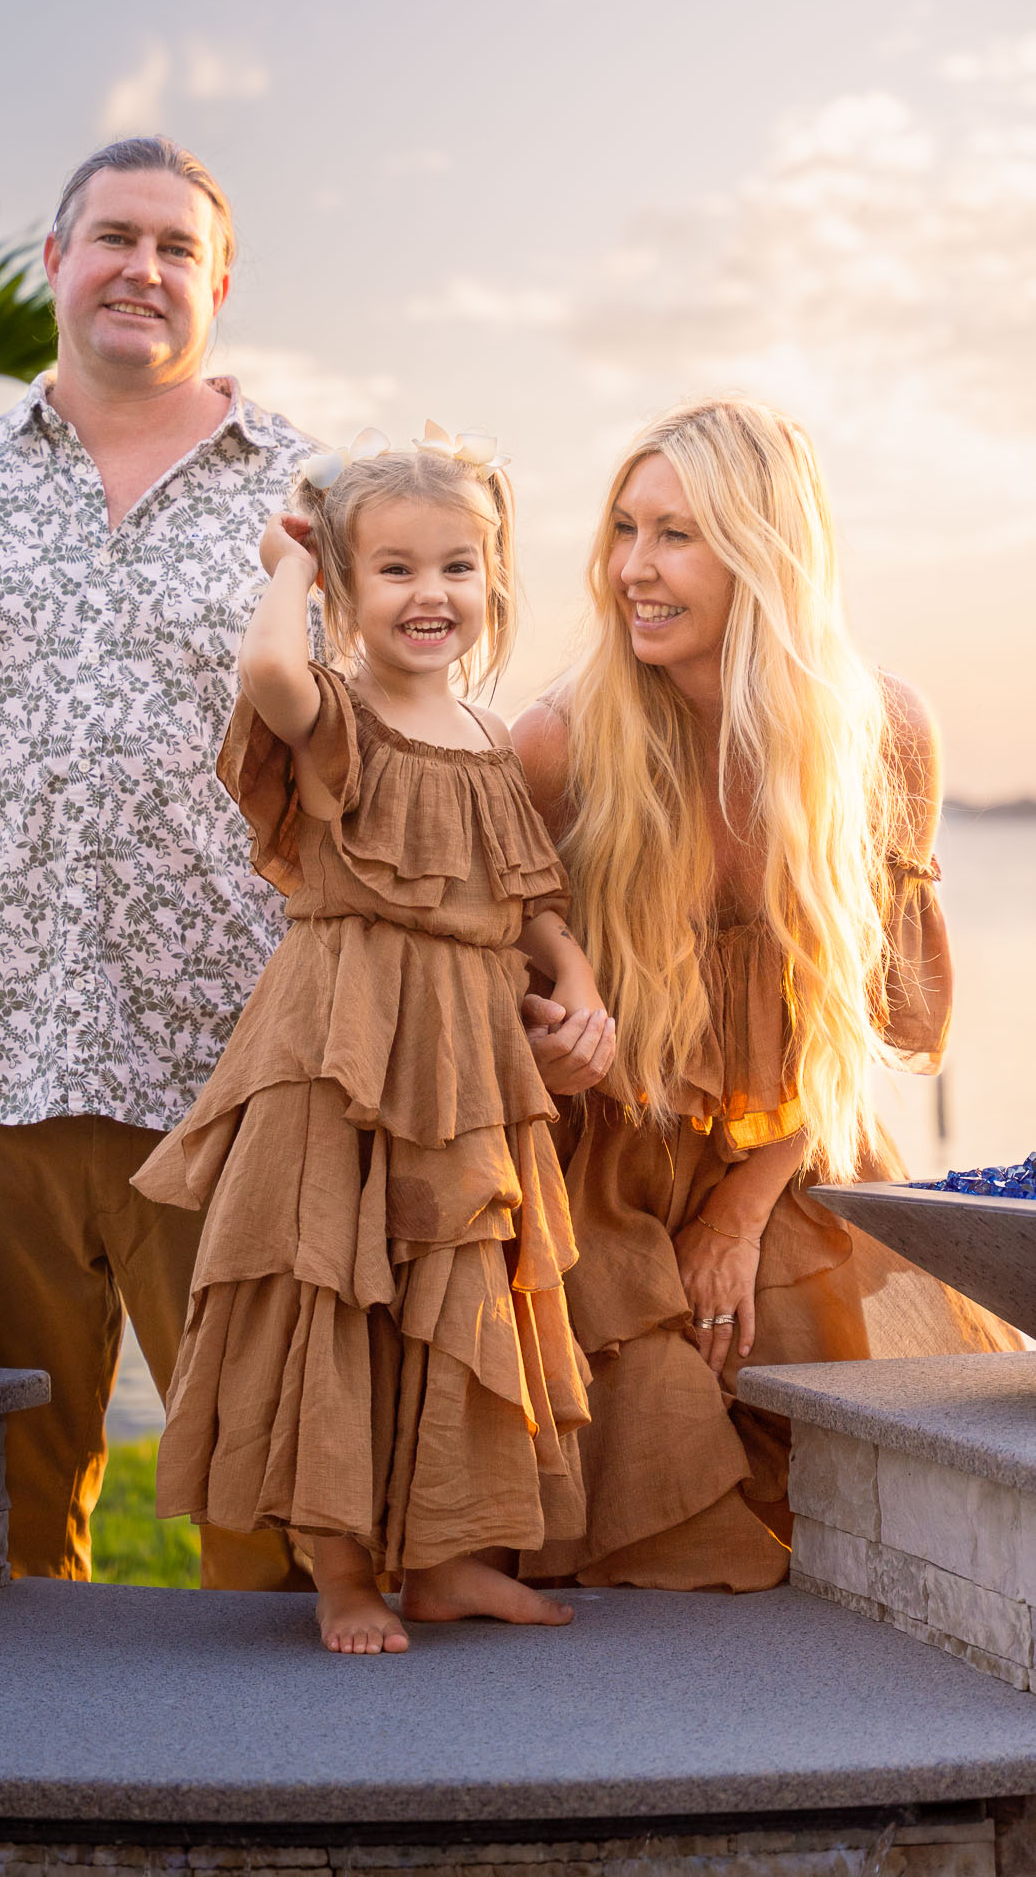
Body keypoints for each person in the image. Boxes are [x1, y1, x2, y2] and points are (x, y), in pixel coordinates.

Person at [0, 136, 320, 1589]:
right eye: (112, 238)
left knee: (269, 1526)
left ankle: (270, 1808)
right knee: (5, 1531)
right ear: (54, 261)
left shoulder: (317, 501)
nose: (139, 270)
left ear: (219, 283)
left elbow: (388, 779)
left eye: (174, 248)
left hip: (239, 1087)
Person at [513, 394, 1020, 1593]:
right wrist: (552, 1047)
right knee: (640, 1513)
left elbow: (864, 1025)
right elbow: (492, 1021)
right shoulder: (558, 746)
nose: (634, 568)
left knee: (879, 1462)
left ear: (766, 550)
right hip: (604, 1174)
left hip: (791, 1151)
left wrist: (741, 1210)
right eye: (625, 529)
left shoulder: (880, 731)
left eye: (677, 534)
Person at [131, 426, 611, 1651]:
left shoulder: (496, 743)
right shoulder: (334, 714)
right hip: (338, 1050)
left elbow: (531, 896)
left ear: (490, 583)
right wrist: (285, 563)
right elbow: (267, 674)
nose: (429, 593)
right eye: (392, 569)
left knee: (457, 1290)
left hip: (463, 1063)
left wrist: (577, 975)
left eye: (456, 567)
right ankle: (342, 1576)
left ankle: (446, 1561)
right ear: (346, 590)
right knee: (328, 1295)